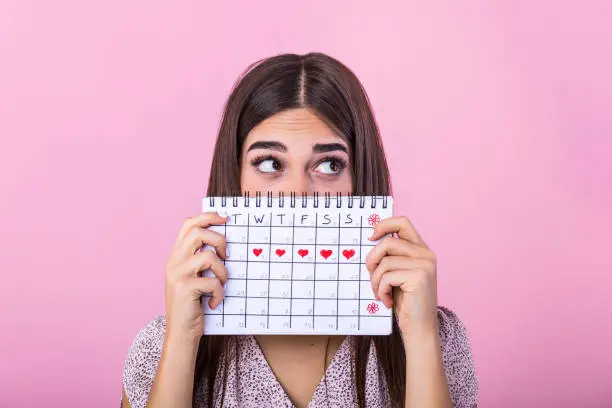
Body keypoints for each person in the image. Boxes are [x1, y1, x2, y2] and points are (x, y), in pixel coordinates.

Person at [121, 52, 478, 408]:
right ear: (235, 178)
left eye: (328, 164)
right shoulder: (160, 348)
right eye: (270, 163)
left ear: (359, 180)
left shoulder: (435, 340)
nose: (298, 193)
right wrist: (182, 340)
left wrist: (420, 340)